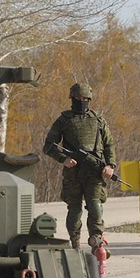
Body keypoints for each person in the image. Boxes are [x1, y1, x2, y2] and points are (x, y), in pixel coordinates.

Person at [43, 83, 116, 249]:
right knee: (74, 210)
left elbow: (109, 144)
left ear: (89, 99)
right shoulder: (64, 120)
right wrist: (63, 159)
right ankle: (75, 243)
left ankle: (97, 240)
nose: (81, 101)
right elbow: (48, 145)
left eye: (84, 98)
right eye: (77, 98)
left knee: (95, 206)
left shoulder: (98, 121)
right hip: (73, 172)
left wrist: (110, 165)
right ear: (72, 98)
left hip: (94, 172)